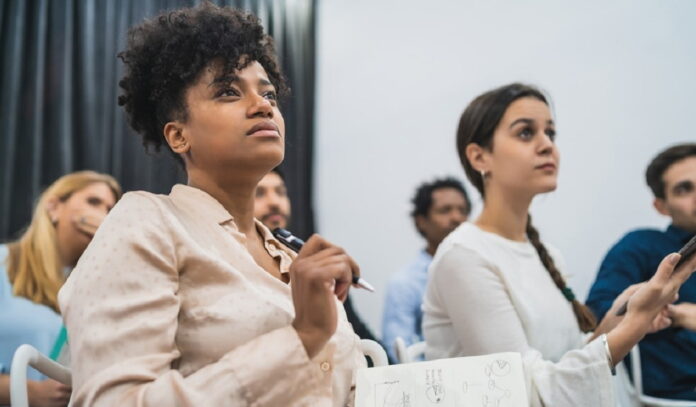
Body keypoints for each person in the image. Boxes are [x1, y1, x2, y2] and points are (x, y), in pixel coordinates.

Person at [58, 4, 365, 406]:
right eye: (228, 91)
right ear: (178, 135)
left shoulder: (293, 255)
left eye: (268, 92)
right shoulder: (146, 224)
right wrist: (302, 337)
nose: (263, 105)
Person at [422, 83, 696, 406]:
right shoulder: (465, 256)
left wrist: (619, 318)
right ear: (479, 156)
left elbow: (565, 361)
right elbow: (524, 394)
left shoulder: (546, 254)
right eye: (526, 133)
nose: (547, 145)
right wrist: (634, 325)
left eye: (550, 133)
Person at [0, 170, 120, 407]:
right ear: (53, 207)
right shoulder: (2, 264)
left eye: (110, 211)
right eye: (93, 202)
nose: (101, 216)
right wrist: (30, 392)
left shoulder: (95, 292)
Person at [587, 143, 696, 400]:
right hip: (676, 395)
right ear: (661, 206)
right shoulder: (641, 247)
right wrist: (677, 313)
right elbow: (601, 313)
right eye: (684, 189)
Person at [254, 168, 380, 343]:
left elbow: (357, 331)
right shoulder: (241, 261)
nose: (274, 202)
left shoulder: (314, 261)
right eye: (259, 194)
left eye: (281, 192)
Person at [382, 177, 470, 361]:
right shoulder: (405, 284)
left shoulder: (481, 271)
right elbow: (400, 352)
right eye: (445, 210)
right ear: (421, 221)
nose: (457, 218)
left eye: (463, 210)